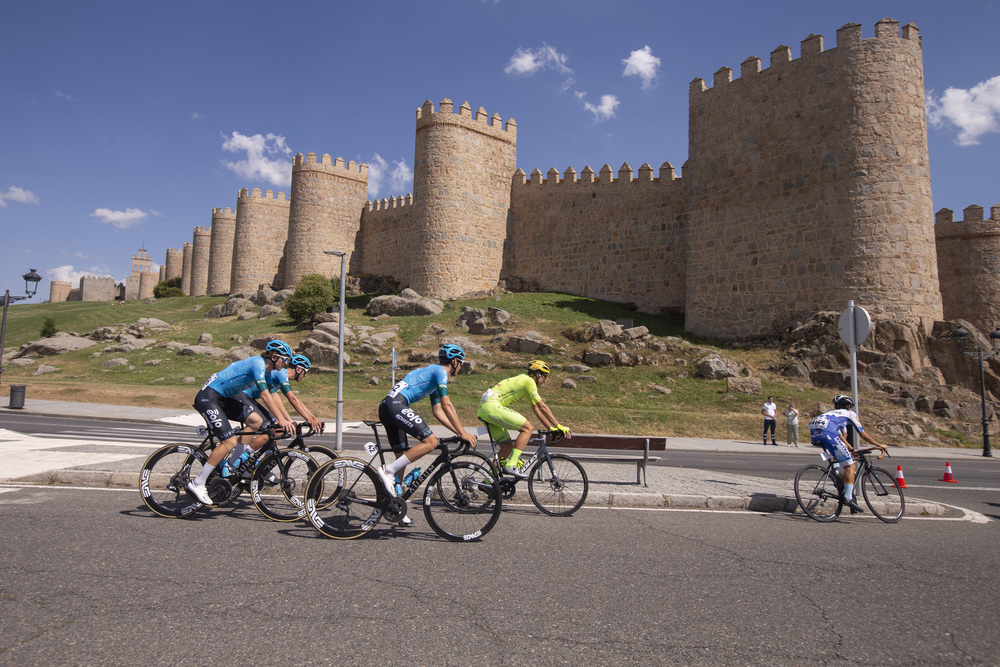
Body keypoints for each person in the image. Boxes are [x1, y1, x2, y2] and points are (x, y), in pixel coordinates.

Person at [186, 340, 296, 505]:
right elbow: (265, 395)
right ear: (274, 356)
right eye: (285, 359)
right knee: (229, 441)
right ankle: (198, 483)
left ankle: (232, 462)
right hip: (209, 397)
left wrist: (286, 420)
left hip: (224, 398)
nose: (286, 363)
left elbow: (272, 395)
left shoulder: (267, 370)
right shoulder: (258, 363)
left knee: (256, 421)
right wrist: (281, 420)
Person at [374, 344, 477, 503]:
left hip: (387, 406)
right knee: (430, 442)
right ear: (455, 361)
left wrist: (458, 432)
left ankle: (395, 505)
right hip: (397, 404)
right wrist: (463, 432)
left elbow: (438, 412)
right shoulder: (441, 372)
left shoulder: (433, 373)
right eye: (461, 363)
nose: (461, 367)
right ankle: (388, 471)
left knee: (402, 457)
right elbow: (447, 405)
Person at [223, 353, 325, 475]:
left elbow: (274, 397)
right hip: (242, 396)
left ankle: (264, 466)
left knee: (277, 429)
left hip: (248, 398)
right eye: (305, 371)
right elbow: (292, 399)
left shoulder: (278, 377)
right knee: (270, 429)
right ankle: (238, 461)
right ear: (299, 369)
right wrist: (311, 419)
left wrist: (288, 419)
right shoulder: (281, 373)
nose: (306, 375)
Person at [476, 360, 571, 477]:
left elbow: (536, 409)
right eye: (545, 376)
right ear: (537, 375)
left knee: (506, 448)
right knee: (528, 428)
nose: (545, 380)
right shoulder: (529, 381)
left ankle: (488, 483)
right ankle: (511, 464)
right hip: (492, 407)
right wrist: (559, 426)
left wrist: (550, 428)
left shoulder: (524, 381)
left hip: (484, 409)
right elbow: (542, 406)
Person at [808, 394, 888, 513]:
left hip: (815, 432)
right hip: (827, 432)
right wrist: (879, 445)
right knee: (850, 465)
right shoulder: (850, 413)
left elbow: (839, 434)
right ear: (849, 406)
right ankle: (848, 498)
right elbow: (862, 434)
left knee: (839, 455)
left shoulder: (831, 414)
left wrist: (850, 449)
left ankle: (838, 479)